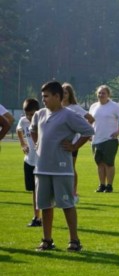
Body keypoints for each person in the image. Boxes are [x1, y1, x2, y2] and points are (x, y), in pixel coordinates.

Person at [30, 81, 95, 251]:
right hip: (42, 168)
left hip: (61, 169)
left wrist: (74, 147)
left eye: (46, 96)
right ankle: (47, 240)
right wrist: (37, 144)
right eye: (42, 96)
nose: (43, 99)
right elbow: (32, 130)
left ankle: (74, 241)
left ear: (57, 97)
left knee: (67, 204)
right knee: (44, 205)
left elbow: (88, 131)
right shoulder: (39, 114)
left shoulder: (69, 115)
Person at [88, 85, 119, 193]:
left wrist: (118, 131)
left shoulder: (114, 106)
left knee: (108, 163)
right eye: (99, 93)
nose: (101, 95)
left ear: (108, 95)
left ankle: (109, 185)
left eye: (103, 93)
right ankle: (102, 185)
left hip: (109, 139)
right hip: (96, 139)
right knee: (99, 163)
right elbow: (90, 121)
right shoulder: (93, 106)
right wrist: (89, 134)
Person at [61, 83, 95, 202]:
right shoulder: (56, 107)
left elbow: (90, 118)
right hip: (58, 144)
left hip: (72, 143)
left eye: (66, 92)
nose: (63, 95)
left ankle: (73, 192)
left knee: (70, 167)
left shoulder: (75, 108)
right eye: (62, 92)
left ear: (70, 94)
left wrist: (82, 132)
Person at [17, 98, 41, 227]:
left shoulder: (43, 121)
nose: (29, 117)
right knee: (34, 191)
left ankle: (42, 216)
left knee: (42, 191)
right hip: (29, 161)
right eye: (27, 114)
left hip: (42, 162)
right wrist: (22, 144)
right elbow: (19, 130)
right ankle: (37, 217)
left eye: (32, 114)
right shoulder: (23, 120)